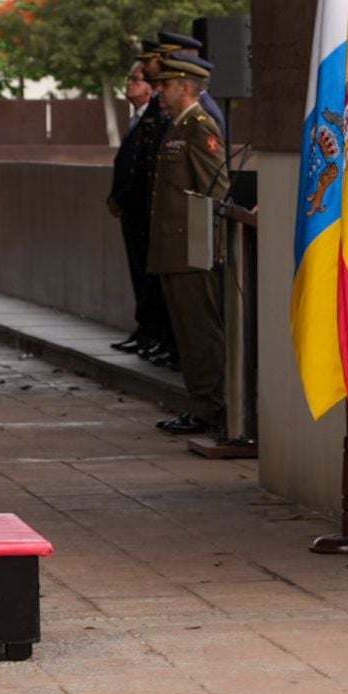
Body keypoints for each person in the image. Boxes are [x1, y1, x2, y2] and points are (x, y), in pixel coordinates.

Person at [146, 54, 228, 436]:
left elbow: (215, 190)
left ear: (186, 88)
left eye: (165, 86)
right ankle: (201, 404)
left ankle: (211, 408)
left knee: (200, 334)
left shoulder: (199, 127)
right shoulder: (176, 127)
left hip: (194, 250)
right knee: (187, 333)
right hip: (174, 250)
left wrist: (212, 246)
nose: (159, 91)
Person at [108, 59, 175, 365]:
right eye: (131, 78)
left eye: (136, 79)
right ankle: (146, 330)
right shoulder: (140, 118)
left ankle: (158, 335)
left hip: (148, 211)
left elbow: (145, 169)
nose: (130, 84)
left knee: (153, 280)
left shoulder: (158, 118)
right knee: (139, 275)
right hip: (133, 211)